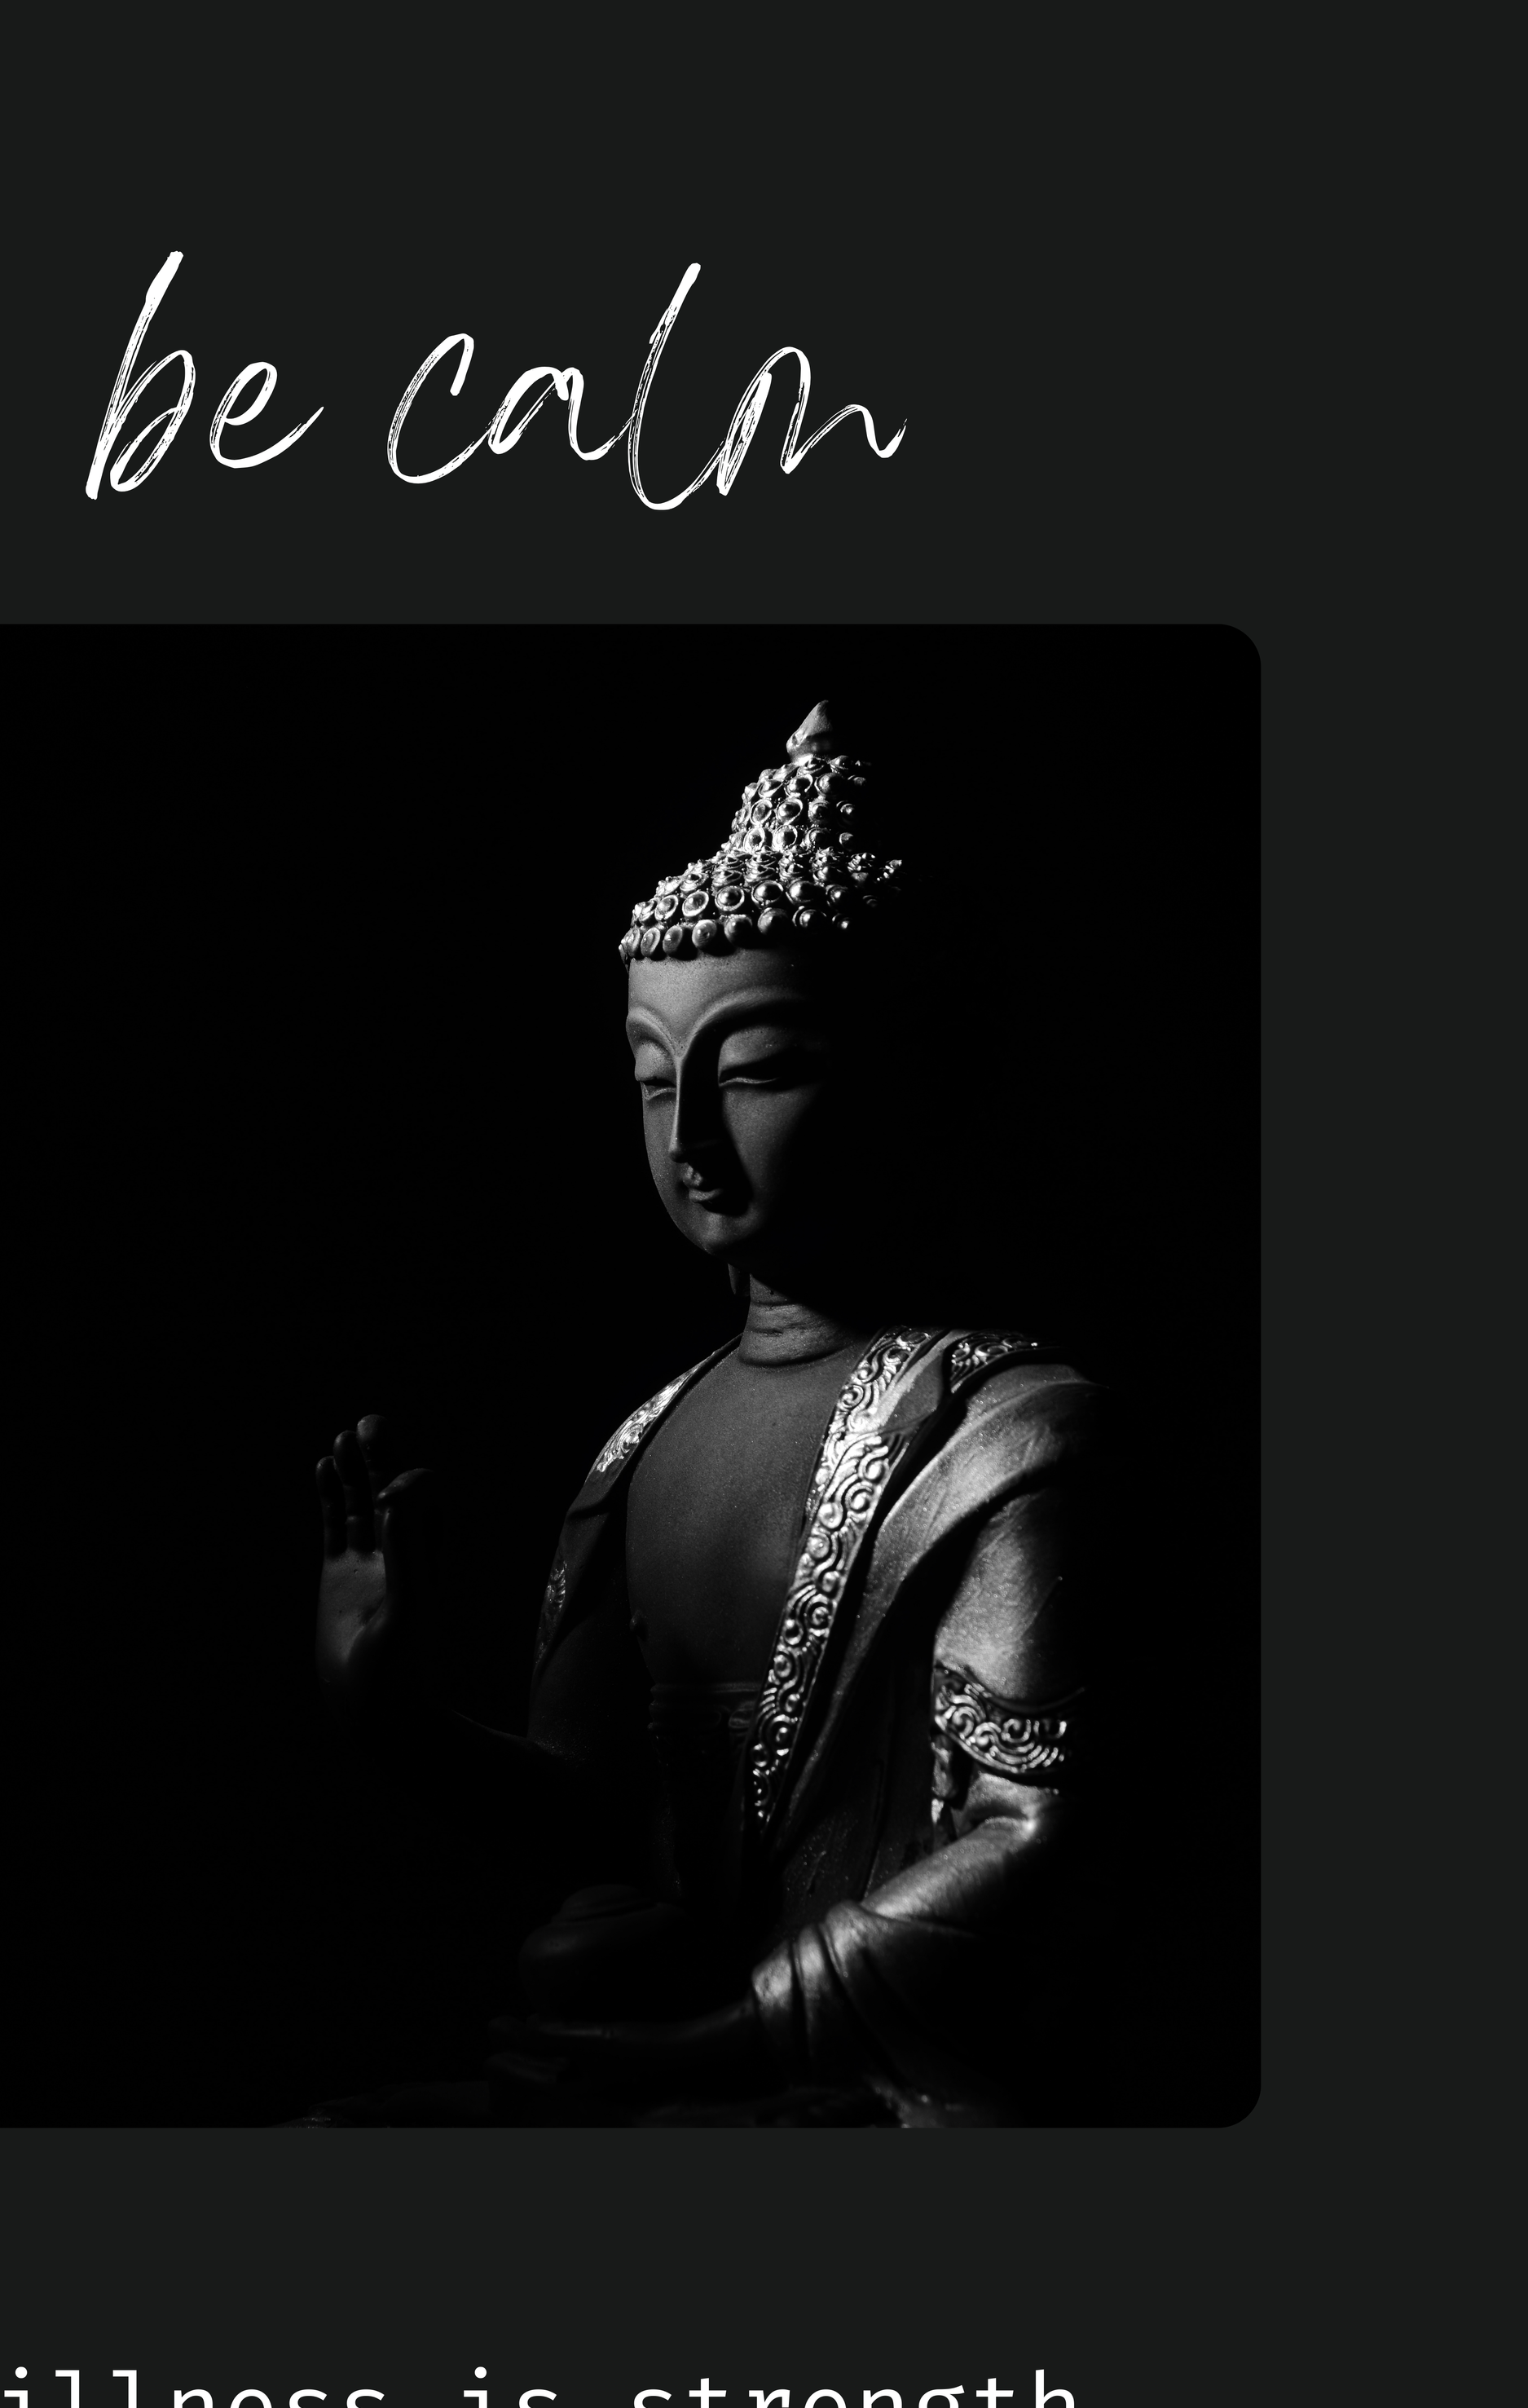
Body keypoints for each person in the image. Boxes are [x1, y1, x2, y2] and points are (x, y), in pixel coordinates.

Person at [312, 702, 1121, 2124]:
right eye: (651, 1080)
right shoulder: (643, 1447)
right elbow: (603, 1823)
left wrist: (717, 2045)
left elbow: (1030, 1843)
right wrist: (391, 1715)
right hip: (659, 2053)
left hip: (872, 2088)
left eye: (751, 1072)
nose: (689, 1134)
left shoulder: (1008, 1438)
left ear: (909, 1077)